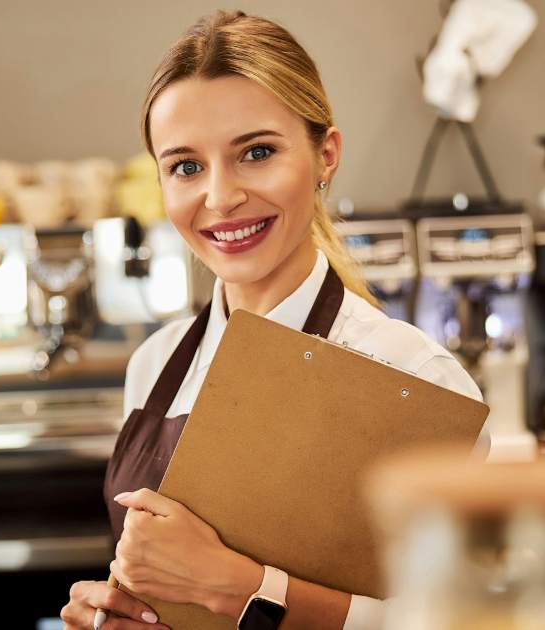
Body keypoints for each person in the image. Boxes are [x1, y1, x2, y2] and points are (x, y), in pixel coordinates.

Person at [61, 10, 486, 630]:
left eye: (256, 153)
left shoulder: (416, 376)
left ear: (325, 156)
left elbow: (464, 618)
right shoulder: (154, 364)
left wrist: (245, 590)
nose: (220, 197)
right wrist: (117, 613)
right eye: (185, 166)